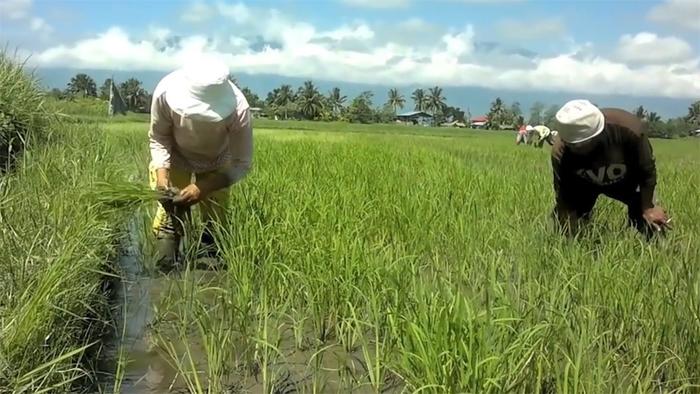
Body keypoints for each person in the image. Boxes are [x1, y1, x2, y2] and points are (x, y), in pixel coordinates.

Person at [148, 57, 253, 272]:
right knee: (169, 215)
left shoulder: (239, 109)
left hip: (217, 162)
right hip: (175, 157)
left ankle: (209, 260)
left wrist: (203, 187)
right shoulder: (164, 94)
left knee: (215, 223)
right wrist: (162, 178)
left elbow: (242, 163)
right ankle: (167, 265)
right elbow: (159, 138)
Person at [550, 99, 670, 238]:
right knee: (564, 227)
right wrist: (567, 219)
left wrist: (648, 207)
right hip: (584, 185)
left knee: (653, 226)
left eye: (584, 144)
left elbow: (646, 170)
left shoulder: (629, 130)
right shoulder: (560, 152)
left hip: (628, 182)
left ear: (597, 133)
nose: (579, 149)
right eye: (573, 145)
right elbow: (564, 193)